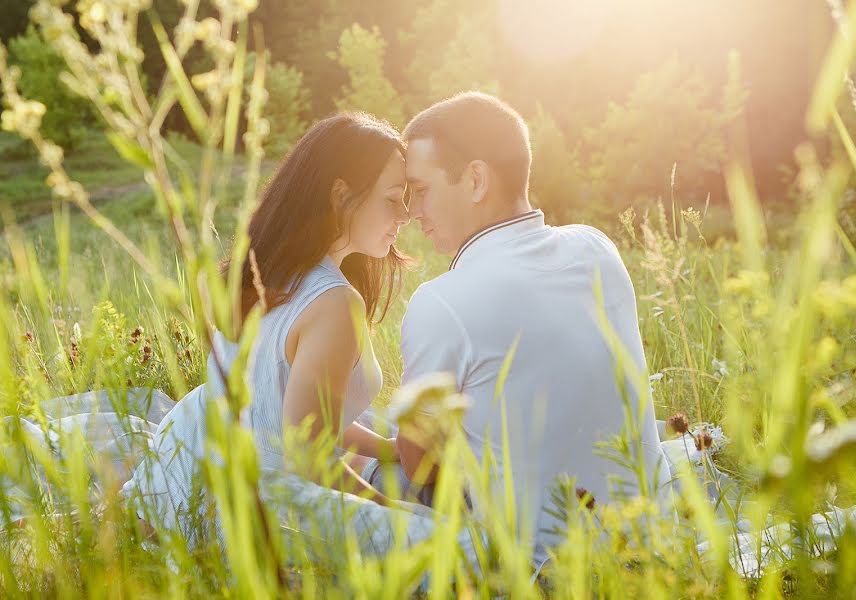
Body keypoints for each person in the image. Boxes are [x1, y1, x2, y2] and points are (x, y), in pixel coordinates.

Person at [121, 112, 478, 563]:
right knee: (467, 549)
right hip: (267, 502)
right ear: (341, 196)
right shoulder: (333, 304)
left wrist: (385, 450)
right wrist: (392, 512)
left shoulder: (275, 273)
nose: (407, 214)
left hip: (200, 469)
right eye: (393, 198)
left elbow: (292, 412)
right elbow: (308, 455)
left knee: (395, 444)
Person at [359, 92, 673, 568]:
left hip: (541, 564)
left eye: (420, 190)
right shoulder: (597, 249)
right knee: (371, 424)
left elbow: (419, 466)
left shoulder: (442, 302)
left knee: (359, 467)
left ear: (476, 179)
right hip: (649, 538)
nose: (411, 212)